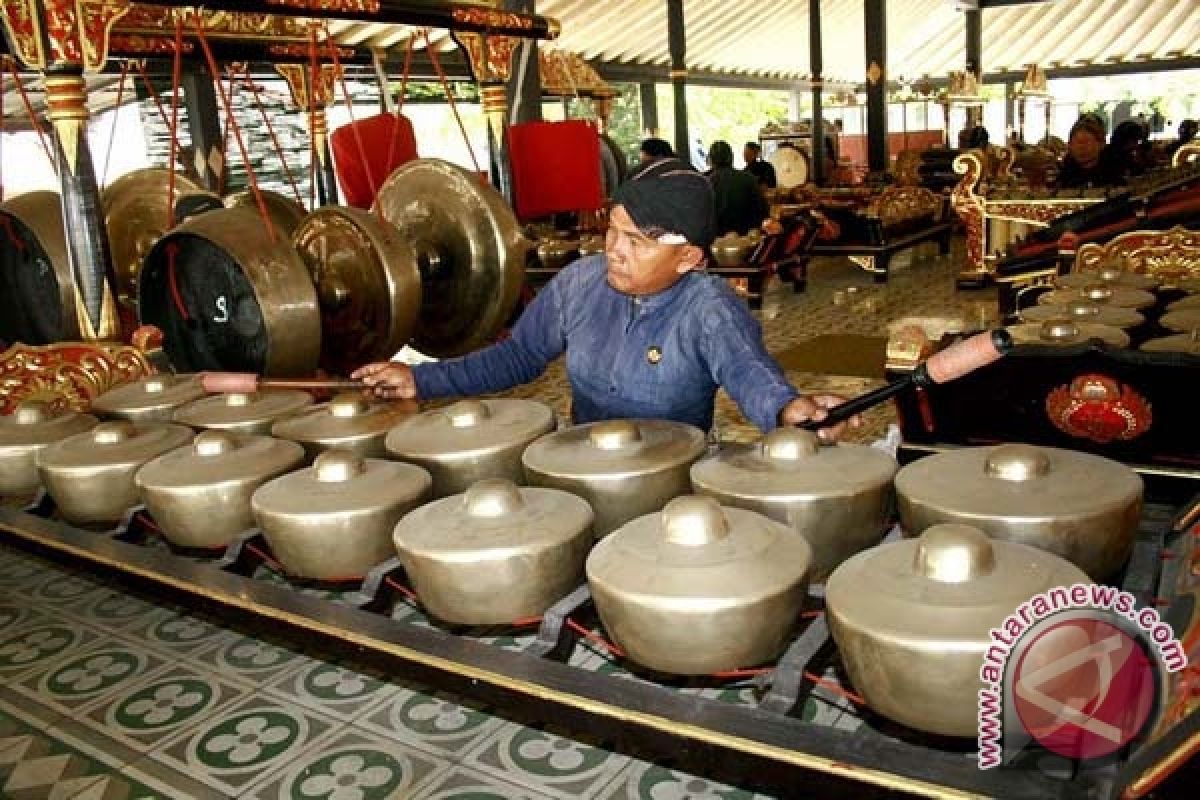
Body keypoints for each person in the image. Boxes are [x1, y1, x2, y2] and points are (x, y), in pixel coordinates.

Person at [353, 158, 857, 438]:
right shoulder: (579, 282)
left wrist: (787, 408)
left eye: (636, 242)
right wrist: (419, 379)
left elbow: (749, 371)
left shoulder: (709, 307)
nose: (613, 251)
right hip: (583, 463)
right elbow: (519, 355)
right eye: (613, 231)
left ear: (689, 259)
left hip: (670, 484)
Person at [706, 140, 770, 236]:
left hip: (715, 242)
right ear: (731, 157)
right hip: (747, 240)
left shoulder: (704, 183)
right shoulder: (748, 178)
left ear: (711, 160)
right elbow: (763, 212)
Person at [1056, 114, 1121, 188]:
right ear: (1069, 145)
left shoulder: (1113, 173)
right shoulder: (1061, 174)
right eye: (1077, 142)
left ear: (1101, 144)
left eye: (1087, 142)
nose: (1081, 147)